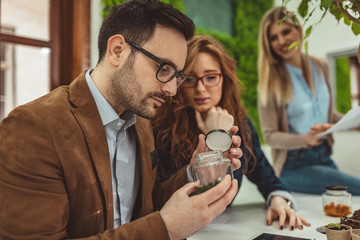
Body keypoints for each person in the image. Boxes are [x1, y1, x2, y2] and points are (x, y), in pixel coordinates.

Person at [0, 1, 243, 239]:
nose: (172, 90)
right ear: (118, 50)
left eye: (177, 76)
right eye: (164, 68)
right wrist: (164, 229)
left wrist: (193, 171)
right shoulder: (32, 128)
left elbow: (147, 203)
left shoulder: (141, 122)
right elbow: (157, 223)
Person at [152, 34, 310, 231]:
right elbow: (158, 198)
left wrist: (278, 201)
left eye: (210, 77)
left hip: (226, 232)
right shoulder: (161, 127)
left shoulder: (241, 126)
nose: (201, 89)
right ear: (179, 82)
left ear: (224, 79)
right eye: (190, 79)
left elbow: (267, 177)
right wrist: (215, 138)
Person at [257, 6, 360, 195]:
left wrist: (352, 121)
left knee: (345, 204)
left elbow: (326, 113)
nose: (281, 41)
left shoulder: (320, 66)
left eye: (285, 31)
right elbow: (270, 135)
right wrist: (305, 139)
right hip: (293, 166)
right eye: (273, 37)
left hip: (324, 156)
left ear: (298, 29)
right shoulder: (270, 82)